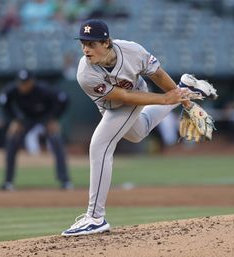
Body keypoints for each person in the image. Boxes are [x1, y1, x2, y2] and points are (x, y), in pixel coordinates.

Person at [61, 19, 216, 236]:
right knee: (138, 132)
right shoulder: (85, 73)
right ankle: (185, 86)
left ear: (106, 42)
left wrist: (184, 101)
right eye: (83, 43)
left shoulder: (132, 50)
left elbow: (158, 75)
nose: (86, 49)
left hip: (133, 96)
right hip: (115, 103)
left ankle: (95, 217)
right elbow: (122, 96)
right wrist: (171, 97)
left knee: (100, 145)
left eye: (92, 43)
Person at [0, 69, 72, 191]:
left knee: (56, 141)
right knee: (12, 140)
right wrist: (15, 119)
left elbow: (64, 99)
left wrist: (54, 118)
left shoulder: (43, 90)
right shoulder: (12, 90)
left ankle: (65, 181)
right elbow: (3, 101)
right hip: (26, 119)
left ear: (32, 81)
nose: (23, 85)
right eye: (21, 82)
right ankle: (8, 182)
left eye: (26, 82)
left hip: (45, 117)